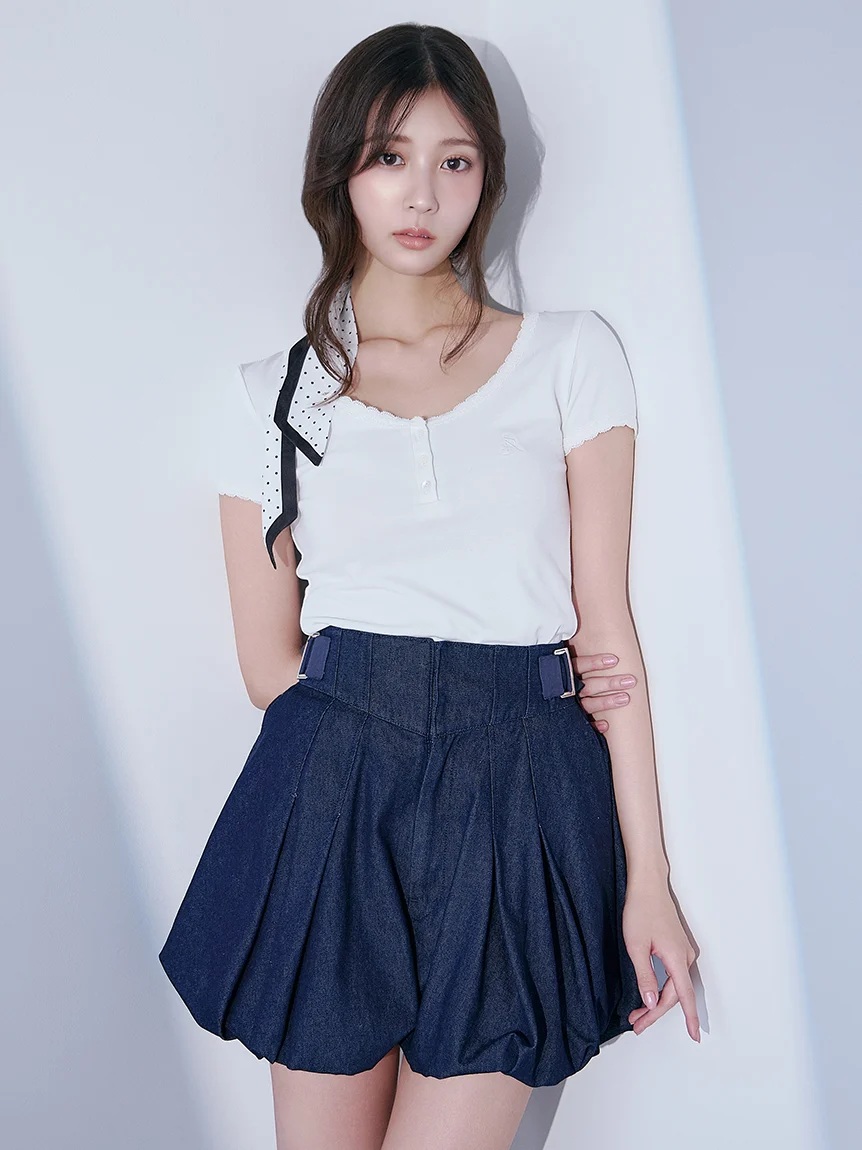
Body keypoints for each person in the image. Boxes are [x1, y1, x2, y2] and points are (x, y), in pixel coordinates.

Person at [159, 22, 700, 1150]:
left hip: (523, 777)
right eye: (388, 156)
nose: (421, 194)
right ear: (341, 175)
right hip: (334, 783)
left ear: (486, 177)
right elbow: (268, 667)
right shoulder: (273, 397)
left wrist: (647, 881)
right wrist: (384, 724)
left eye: (454, 160)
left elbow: (608, 634)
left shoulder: (569, 357)